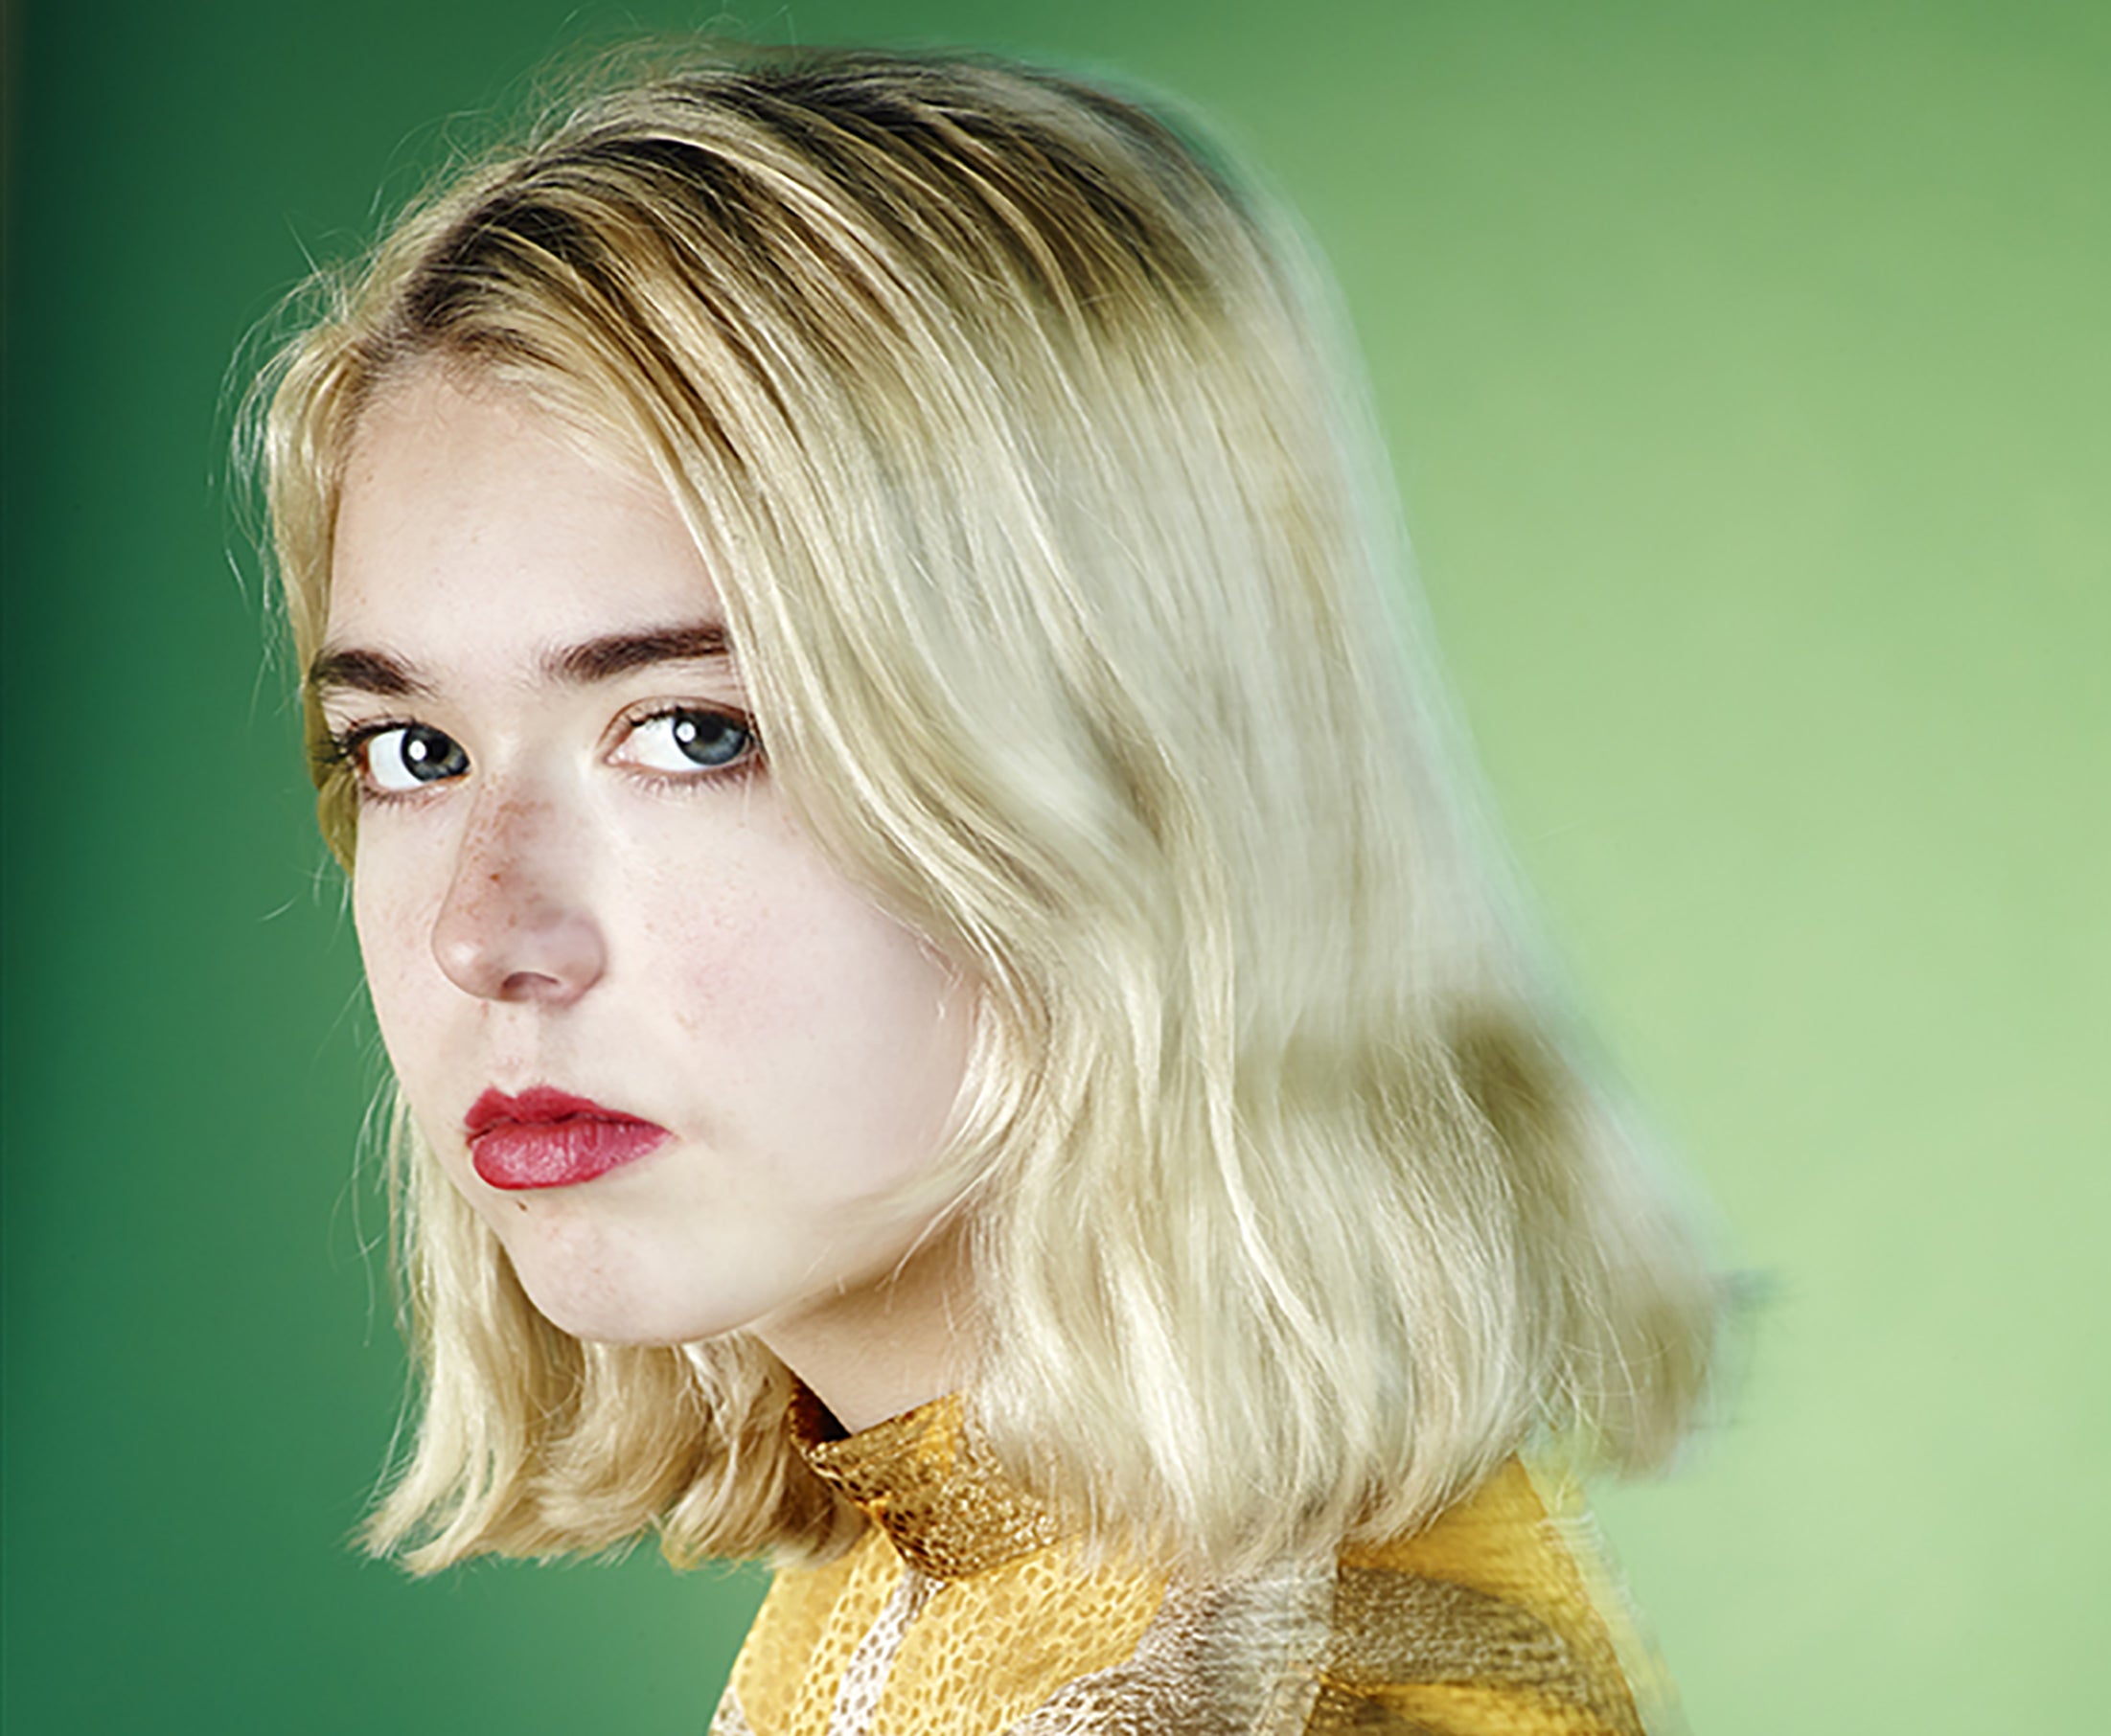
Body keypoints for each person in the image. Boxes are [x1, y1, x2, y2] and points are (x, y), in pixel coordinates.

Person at [255, 45, 1719, 1734]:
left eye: (696, 732)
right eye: (413, 752)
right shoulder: (941, 1586)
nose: (481, 933)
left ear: (1118, 772)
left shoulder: (1294, 1696)